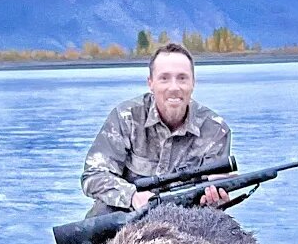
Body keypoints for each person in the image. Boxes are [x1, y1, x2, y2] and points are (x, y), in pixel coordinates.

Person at [81, 43, 232, 217]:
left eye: (182, 78)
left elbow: (214, 197)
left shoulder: (216, 130)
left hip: (187, 216)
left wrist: (216, 200)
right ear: (150, 83)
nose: (174, 87)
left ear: (193, 83)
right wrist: (132, 197)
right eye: (164, 78)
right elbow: (93, 176)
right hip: (127, 213)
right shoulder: (126, 118)